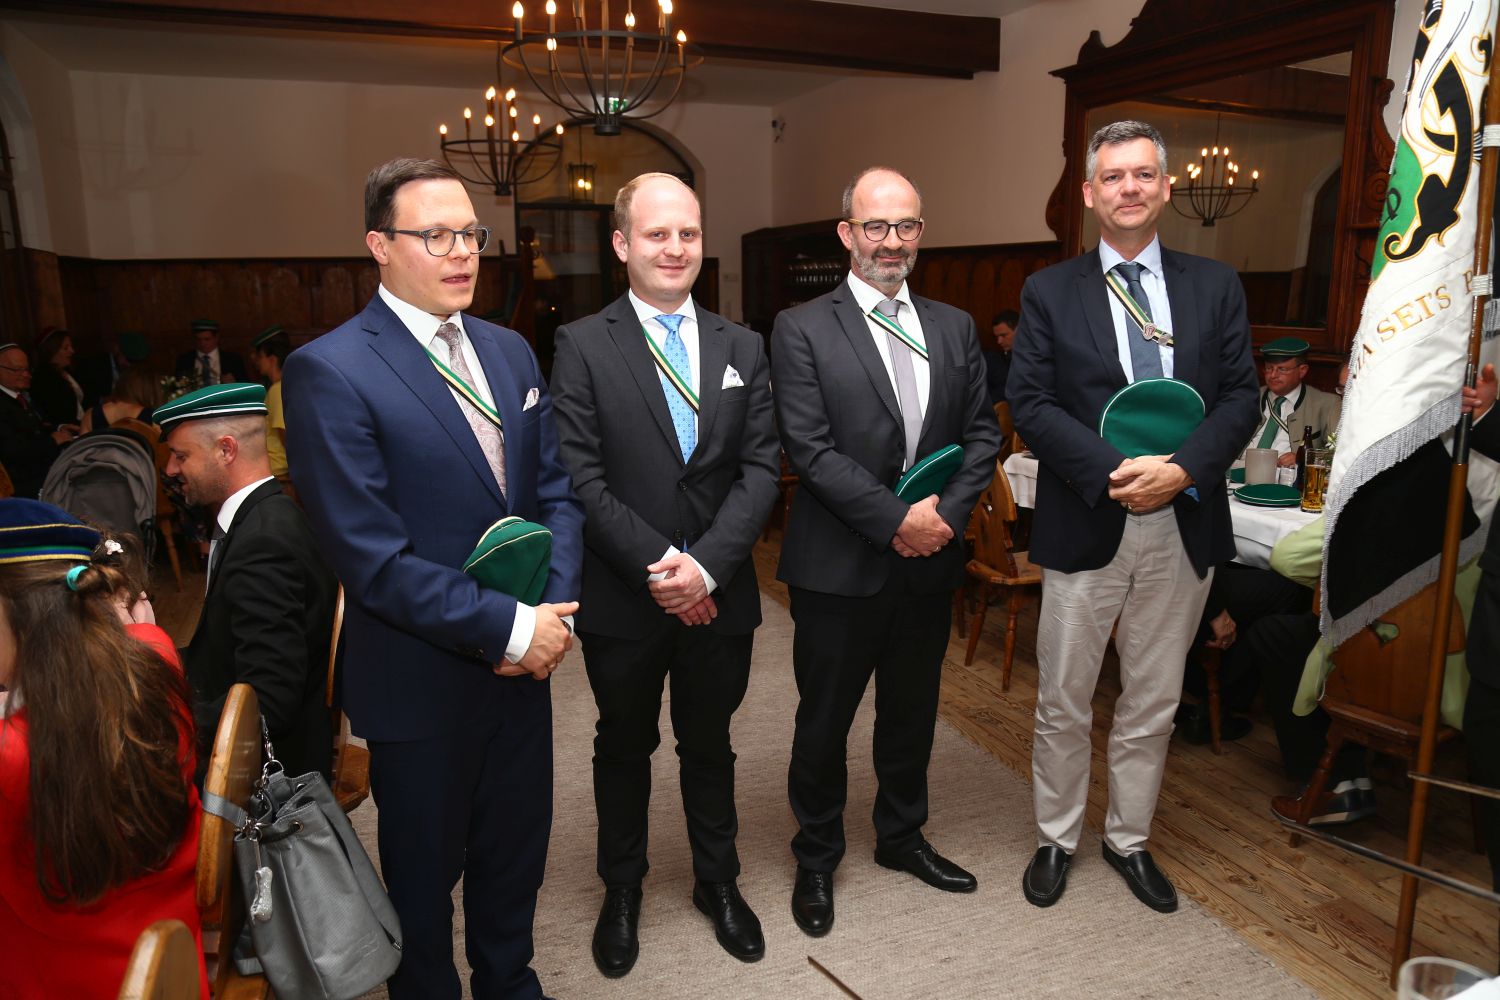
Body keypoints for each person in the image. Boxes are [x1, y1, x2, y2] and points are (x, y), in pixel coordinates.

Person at [282, 157, 584, 1000]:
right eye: (436, 236)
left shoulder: (509, 350)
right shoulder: (331, 369)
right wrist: (512, 629)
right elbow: (372, 560)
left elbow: (555, 493)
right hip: (420, 678)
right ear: (379, 245)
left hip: (526, 668)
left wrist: (550, 613)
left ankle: (510, 984)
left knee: (514, 857)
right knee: (422, 879)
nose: (462, 253)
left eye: (471, 235)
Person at [1008, 120, 1258, 913]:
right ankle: (1056, 838)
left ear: (1166, 187)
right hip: (1091, 513)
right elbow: (1031, 402)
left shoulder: (1215, 285)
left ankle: (1128, 840)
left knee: (1153, 698)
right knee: (1064, 696)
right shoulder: (1050, 290)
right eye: (1113, 176)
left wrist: (1181, 470)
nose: (1129, 188)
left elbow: (1241, 396)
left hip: (1184, 518)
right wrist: (1115, 472)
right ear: (1090, 193)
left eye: (1143, 174)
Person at [551, 173, 780, 975]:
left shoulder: (742, 345)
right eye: (657, 234)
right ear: (622, 244)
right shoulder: (583, 344)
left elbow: (761, 469)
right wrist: (661, 568)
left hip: (720, 593)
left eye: (688, 233)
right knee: (624, 745)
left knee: (710, 743)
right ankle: (623, 889)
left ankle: (719, 881)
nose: (675, 248)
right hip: (625, 594)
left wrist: (706, 568)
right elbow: (580, 477)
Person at [771, 166, 1002, 937]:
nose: (891, 241)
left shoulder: (954, 326)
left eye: (905, 226)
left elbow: (981, 434)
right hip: (839, 566)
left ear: (920, 234)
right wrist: (897, 518)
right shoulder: (803, 327)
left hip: (929, 563)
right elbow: (809, 448)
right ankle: (817, 856)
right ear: (848, 234)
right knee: (824, 722)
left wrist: (946, 518)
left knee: (911, 714)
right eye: (876, 226)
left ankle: (902, 837)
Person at [0, 499, 209, 999]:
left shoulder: (12, 759)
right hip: (175, 971)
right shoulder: (158, 667)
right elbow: (141, 636)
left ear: (22, 621)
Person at [157, 382, 337, 783]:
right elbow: (226, 650)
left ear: (226, 450)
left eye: (181, 455)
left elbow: (270, 701)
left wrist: (165, 722)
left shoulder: (263, 543)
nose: (169, 469)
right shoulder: (269, 516)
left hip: (264, 774)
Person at [1240, 337, 1341, 468]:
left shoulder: (1327, 404)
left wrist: (1305, 458)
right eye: (1269, 368)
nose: (1273, 375)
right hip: (1238, 469)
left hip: (1286, 475)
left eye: (1282, 369)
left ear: (1302, 370)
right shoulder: (1248, 397)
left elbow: (1339, 453)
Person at [0, 342, 76, 498]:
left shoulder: (15, 396)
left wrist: (59, 428)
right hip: (22, 484)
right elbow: (12, 451)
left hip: (38, 471)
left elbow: (33, 428)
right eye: (18, 370)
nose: (26, 375)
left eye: (27, 369)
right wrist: (52, 441)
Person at [248, 324, 291, 481]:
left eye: (260, 356)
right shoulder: (283, 386)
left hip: (278, 469)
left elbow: (285, 434)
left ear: (272, 359)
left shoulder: (277, 390)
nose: (256, 361)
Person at [79, 365, 163, 434]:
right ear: (151, 390)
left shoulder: (90, 415)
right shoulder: (155, 420)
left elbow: (82, 447)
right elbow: (164, 449)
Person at [29, 327, 85, 428]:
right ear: (51, 351)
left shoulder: (67, 372)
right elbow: (58, 415)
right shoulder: (44, 379)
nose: (72, 351)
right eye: (65, 348)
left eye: (71, 346)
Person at [174, 319, 248, 386]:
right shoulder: (184, 360)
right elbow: (177, 386)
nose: (202, 344)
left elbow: (245, 387)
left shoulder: (233, 360)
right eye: (198, 339)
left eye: (207, 339)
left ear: (217, 337)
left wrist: (234, 384)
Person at [985, 309, 1018, 405]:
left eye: (1003, 335)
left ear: (1018, 330)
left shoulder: (1034, 356)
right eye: (997, 337)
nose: (999, 341)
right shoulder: (997, 357)